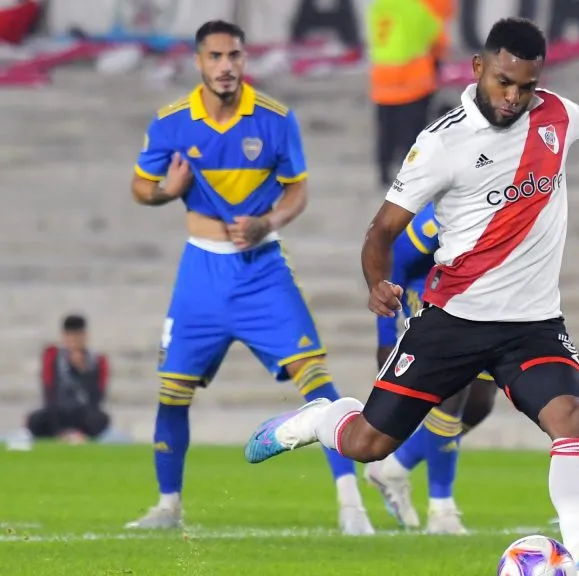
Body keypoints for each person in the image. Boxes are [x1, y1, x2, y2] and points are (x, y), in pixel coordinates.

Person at [244, 17, 579, 575]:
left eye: (526, 86)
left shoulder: (554, 116)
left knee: (573, 416)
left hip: (533, 325)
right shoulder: (442, 144)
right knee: (369, 444)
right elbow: (381, 233)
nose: (514, 97)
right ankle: (316, 420)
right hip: (453, 321)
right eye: (503, 82)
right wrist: (377, 283)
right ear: (478, 69)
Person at [125, 20, 372, 534]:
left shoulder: (275, 119)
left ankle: (352, 505)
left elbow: (297, 192)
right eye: (215, 56)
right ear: (199, 62)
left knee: (316, 379)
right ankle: (168, 506)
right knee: (172, 392)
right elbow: (139, 189)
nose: (225, 66)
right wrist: (169, 191)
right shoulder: (172, 122)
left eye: (234, 56)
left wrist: (270, 221)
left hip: (262, 269)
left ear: (244, 59)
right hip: (201, 270)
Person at [366, 201, 497, 534]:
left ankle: (395, 466)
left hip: (485, 301)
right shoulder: (438, 219)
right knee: (453, 394)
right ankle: (442, 510)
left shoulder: (518, 203)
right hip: (432, 296)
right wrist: (385, 337)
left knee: (480, 403)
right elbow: (394, 264)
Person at [368, 0, 445, 188]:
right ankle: (409, 173)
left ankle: (384, 170)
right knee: (412, 132)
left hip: (382, 80)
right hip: (412, 80)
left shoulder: (379, 7)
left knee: (386, 130)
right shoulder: (416, 8)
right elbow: (436, 39)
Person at [26, 315, 111, 441]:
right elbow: (49, 390)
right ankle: (61, 434)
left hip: (83, 412)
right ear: (64, 337)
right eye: (71, 336)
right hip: (59, 410)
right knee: (36, 419)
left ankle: (78, 435)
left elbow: (97, 398)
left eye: (78, 336)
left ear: (85, 337)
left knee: (101, 418)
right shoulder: (52, 355)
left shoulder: (98, 361)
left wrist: (83, 372)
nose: (74, 341)